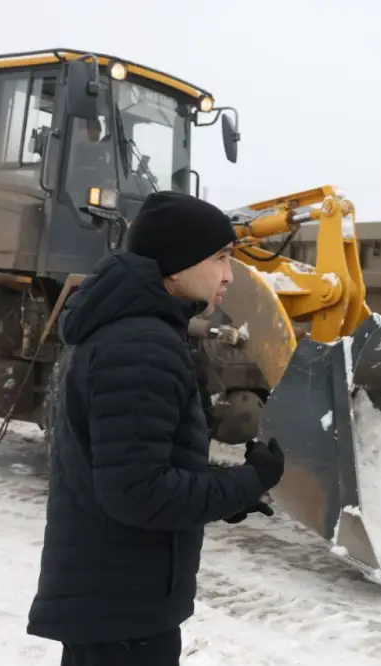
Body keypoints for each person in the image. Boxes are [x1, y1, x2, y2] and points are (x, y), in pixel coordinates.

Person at [26, 190, 286, 666]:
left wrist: (232, 495)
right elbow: (138, 493)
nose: (230, 274)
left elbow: (144, 465)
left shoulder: (135, 330)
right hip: (123, 614)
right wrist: (249, 479)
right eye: (221, 258)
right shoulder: (140, 344)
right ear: (177, 262)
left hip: (114, 605)